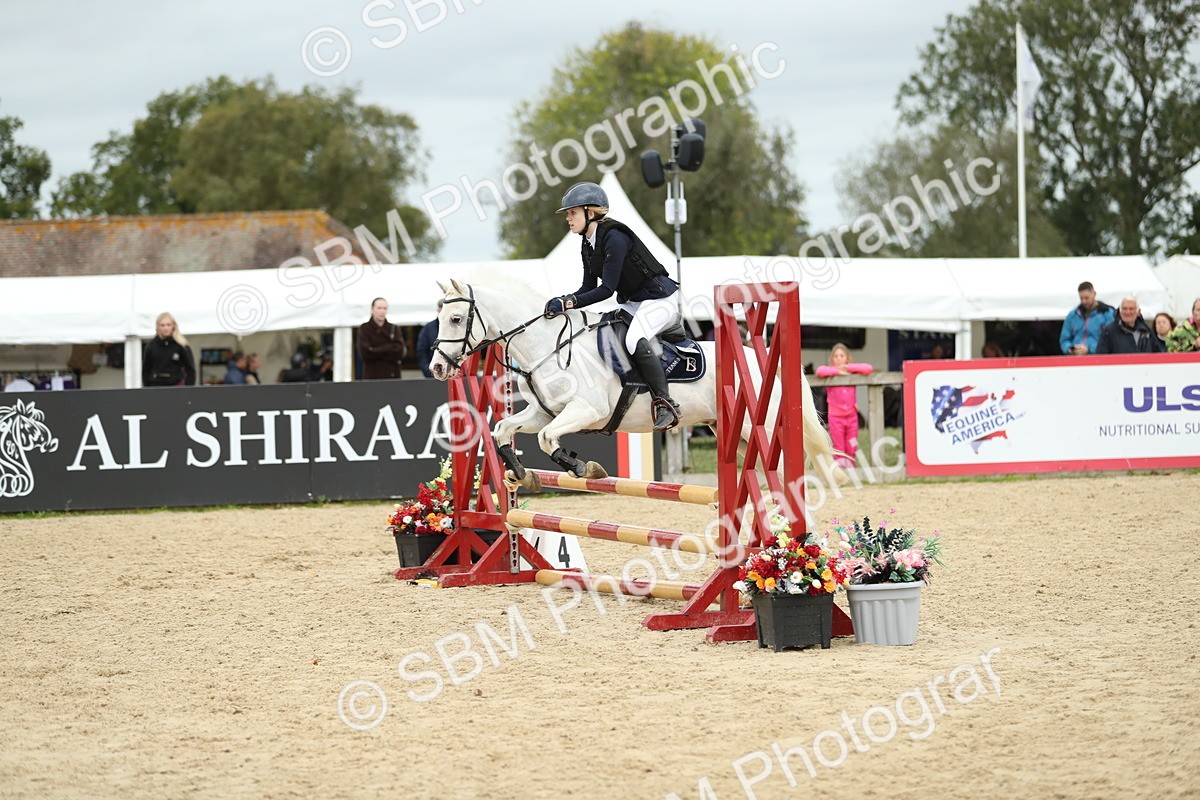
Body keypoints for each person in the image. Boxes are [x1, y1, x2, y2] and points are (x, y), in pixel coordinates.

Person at [544, 181, 682, 430]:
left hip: (660, 300)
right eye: (568, 214)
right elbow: (587, 287)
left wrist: (568, 302)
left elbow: (606, 289)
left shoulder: (614, 238)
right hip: (635, 303)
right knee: (602, 328)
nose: (568, 218)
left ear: (591, 212)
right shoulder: (587, 243)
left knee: (632, 339)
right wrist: (565, 301)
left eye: (572, 212)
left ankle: (665, 403)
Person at [815, 343, 873, 468]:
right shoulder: (830, 373)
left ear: (847, 358)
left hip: (852, 416)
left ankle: (852, 468)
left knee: (852, 444)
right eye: (836, 356)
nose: (839, 358)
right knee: (839, 446)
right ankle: (841, 471)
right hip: (836, 417)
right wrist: (838, 372)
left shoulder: (851, 372)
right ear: (832, 359)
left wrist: (848, 368)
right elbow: (819, 371)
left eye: (842, 355)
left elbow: (868, 368)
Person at [1060, 281, 1115, 355]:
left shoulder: (1107, 313)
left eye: (1086, 298)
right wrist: (1070, 349)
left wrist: (1089, 349)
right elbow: (1064, 339)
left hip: (1098, 359)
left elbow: (1111, 340)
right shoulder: (1072, 315)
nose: (1084, 301)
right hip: (1075, 358)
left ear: (1094, 294)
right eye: (1081, 298)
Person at [358, 297, 407, 379]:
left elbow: (400, 351)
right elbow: (365, 353)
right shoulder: (365, 328)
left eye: (385, 308)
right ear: (372, 309)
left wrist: (375, 350)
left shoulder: (394, 328)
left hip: (392, 376)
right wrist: (390, 347)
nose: (382, 311)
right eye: (379, 308)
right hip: (372, 376)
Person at [142, 312, 196, 387]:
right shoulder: (151, 346)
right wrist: (147, 388)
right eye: (162, 325)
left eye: (168, 325)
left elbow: (190, 369)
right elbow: (146, 370)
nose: (166, 328)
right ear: (158, 327)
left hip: (177, 386)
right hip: (156, 386)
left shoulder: (181, 345)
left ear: (173, 326)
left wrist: (188, 389)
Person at [1096, 296, 1164, 354]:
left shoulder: (1146, 331)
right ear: (1120, 311)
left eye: (1131, 309)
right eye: (1125, 309)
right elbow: (1101, 356)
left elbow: (1157, 353)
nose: (1128, 312)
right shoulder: (1109, 331)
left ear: (1138, 312)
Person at [416, 299, 444, 378]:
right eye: (442, 307)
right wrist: (429, 372)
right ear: (438, 309)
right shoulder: (428, 328)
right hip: (433, 375)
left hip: (454, 376)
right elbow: (421, 352)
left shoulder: (457, 328)